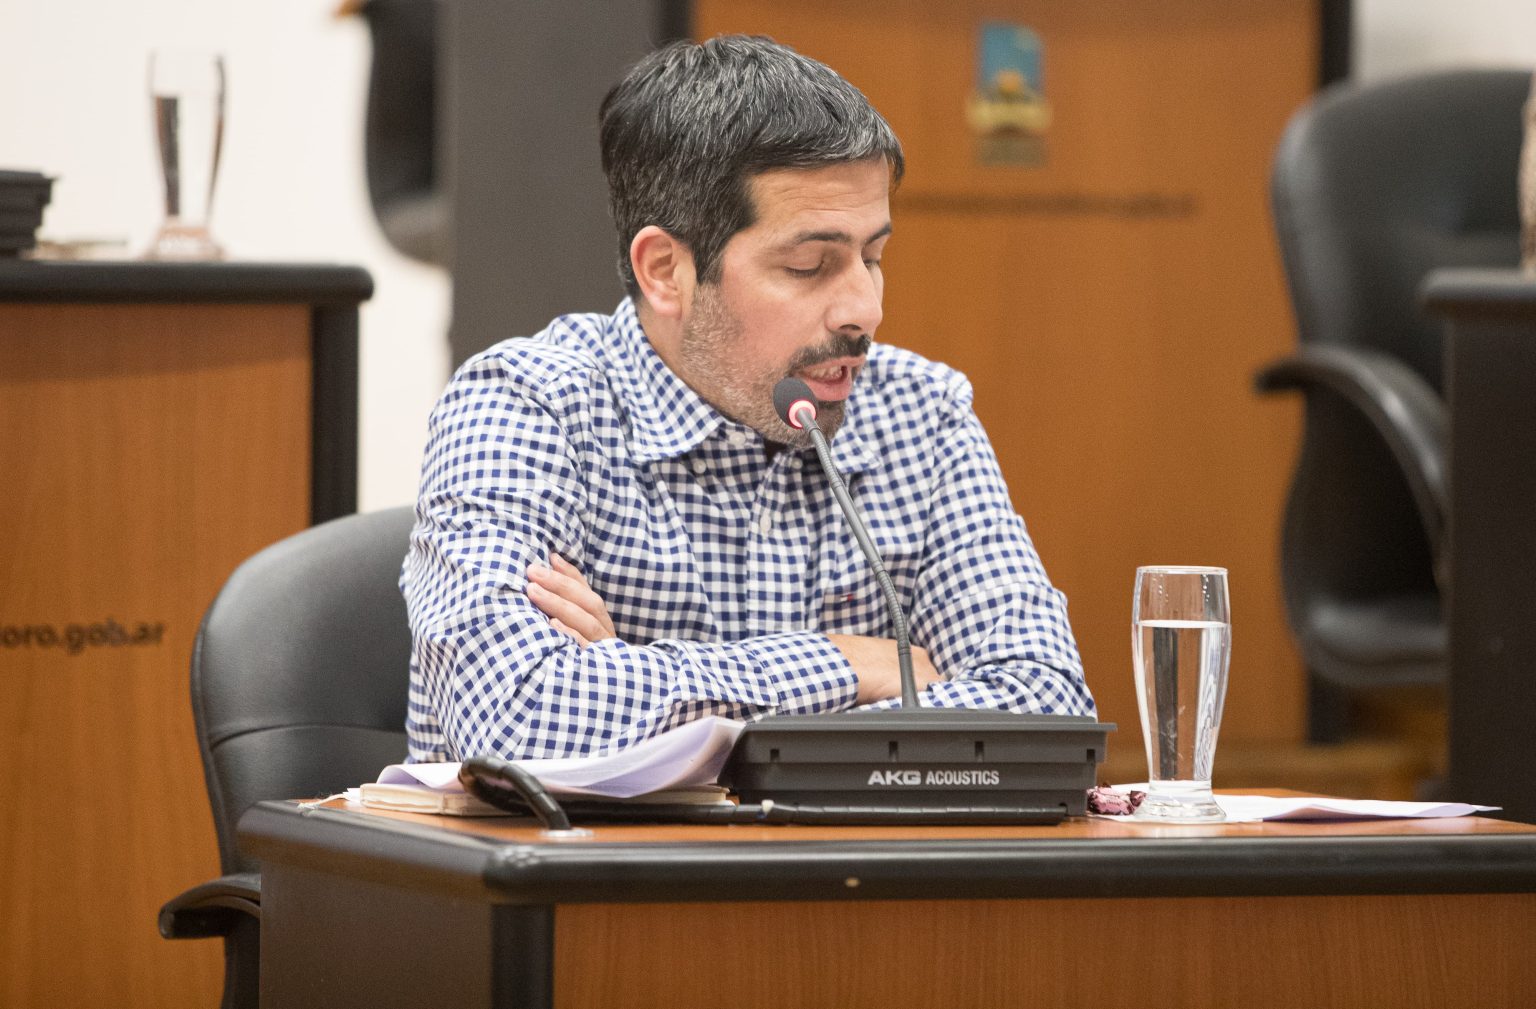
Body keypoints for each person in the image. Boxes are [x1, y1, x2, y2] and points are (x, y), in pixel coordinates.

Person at [401, 35, 1095, 762]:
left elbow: (1047, 708)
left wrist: (634, 684)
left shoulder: (920, 413)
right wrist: (848, 665)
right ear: (665, 270)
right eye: (809, 265)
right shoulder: (526, 406)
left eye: (873, 257)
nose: (866, 310)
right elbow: (515, 715)